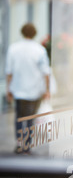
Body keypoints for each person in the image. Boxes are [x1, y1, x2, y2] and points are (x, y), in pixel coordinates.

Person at [5, 23, 51, 153]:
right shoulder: (39, 50)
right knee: (30, 118)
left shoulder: (13, 48)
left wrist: (8, 89)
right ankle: (28, 144)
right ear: (34, 33)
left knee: (19, 116)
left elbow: (9, 72)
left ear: (22, 32)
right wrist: (47, 90)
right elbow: (45, 72)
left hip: (18, 89)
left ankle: (20, 142)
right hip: (34, 90)